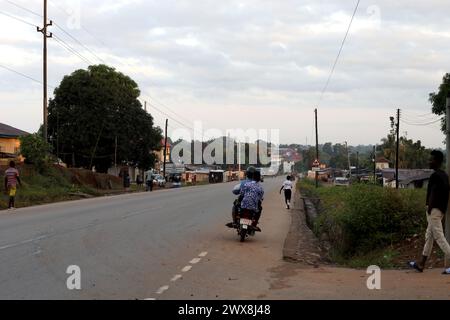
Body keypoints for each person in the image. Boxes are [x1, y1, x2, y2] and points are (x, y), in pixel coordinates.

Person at [409, 150, 450, 274]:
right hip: (439, 210)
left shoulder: (435, 176)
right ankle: (421, 263)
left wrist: (429, 207)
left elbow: (434, 193)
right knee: (429, 236)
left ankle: (422, 263)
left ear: (437, 161)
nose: (429, 161)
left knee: (438, 236)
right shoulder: (444, 175)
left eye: (431, 159)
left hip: (434, 211)